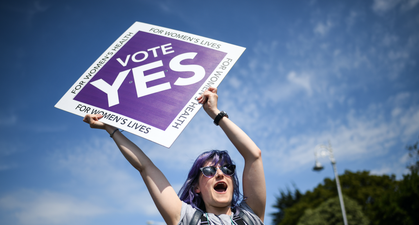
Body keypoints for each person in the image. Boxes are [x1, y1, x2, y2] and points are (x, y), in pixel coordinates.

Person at [83, 87, 266, 225]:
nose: (220, 174)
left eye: (227, 169)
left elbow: (254, 155)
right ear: (196, 187)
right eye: (209, 170)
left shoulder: (251, 216)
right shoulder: (186, 219)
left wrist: (215, 113)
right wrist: (111, 128)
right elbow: (145, 167)